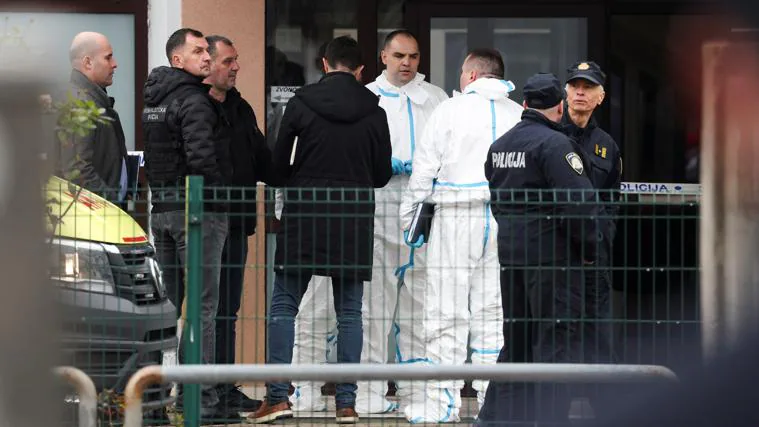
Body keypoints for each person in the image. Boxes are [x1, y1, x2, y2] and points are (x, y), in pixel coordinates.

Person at [249, 35, 392, 424]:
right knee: (350, 313)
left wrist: (302, 178)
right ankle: (346, 403)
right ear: (361, 70)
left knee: (283, 307)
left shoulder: (300, 104)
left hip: (305, 215)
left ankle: (278, 396)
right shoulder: (375, 110)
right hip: (353, 217)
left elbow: (277, 168)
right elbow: (381, 175)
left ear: (324, 64)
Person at [398, 48, 522, 423]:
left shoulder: (449, 111)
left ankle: (442, 403)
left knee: (445, 311)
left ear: (470, 76)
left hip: (455, 214)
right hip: (503, 218)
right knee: (493, 314)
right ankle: (491, 401)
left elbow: (424, 169)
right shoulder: (518, 114)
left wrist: (410, 220)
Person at [477, 73, 601, 427]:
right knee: (555, 348)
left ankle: (500, 421)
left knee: (516, 344)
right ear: (560, 107)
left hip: (512, 258)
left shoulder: (500, 146)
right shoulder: (555, 146)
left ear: (525, 105)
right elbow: (580, 207)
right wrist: (588, 249)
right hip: (553, 262)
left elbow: (498, 202)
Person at [343, 29, 449, 415]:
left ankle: (415, 393)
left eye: (414, 57)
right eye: (399, 56)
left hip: (423, 209)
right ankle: (368, 395)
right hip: (379, 206)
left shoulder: (434, 98)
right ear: (383, 57)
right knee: (375, 306)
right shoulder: (367, 97)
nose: (407, 63)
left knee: (420, 306)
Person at [142, 27, 231, 422]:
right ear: (178, 60)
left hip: (160, 209)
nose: (207, 57)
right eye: (198, 51)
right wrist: (219, 194)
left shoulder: (153, 100)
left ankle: (155, 397)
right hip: (195, 213)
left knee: (164, 309)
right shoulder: (194, 100)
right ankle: (201, 401)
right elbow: (201, 160)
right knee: (202, 309)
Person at [203, 34, 270, 417]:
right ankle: (204, 392)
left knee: (229, 309)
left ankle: (226, 389)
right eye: (228, 60)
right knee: (205, 311)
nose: (235, 67)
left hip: (238, 220)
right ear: (207, 64)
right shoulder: (195, 107)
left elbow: (260, 157)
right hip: (207, 222)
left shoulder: (241, 107)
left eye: (236, 59)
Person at [561, 61, 622, 363]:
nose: (580, 93)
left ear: (601, 97)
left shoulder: (606, 146)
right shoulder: (550, 135)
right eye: (575, 86)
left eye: (588, 88)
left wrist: (603, 234)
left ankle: (603, 407)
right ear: (566, 92)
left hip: (594, 255)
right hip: (556, 252)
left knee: (598, 332)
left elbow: (612, 197)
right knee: (561, 331)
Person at [59, 31, 128, 205]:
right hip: (92, 218)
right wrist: (110, 204)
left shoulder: (90, 100)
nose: (115, 64)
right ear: (88, 62)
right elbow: (78, 170)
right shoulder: (80, 105)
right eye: (108, 58)